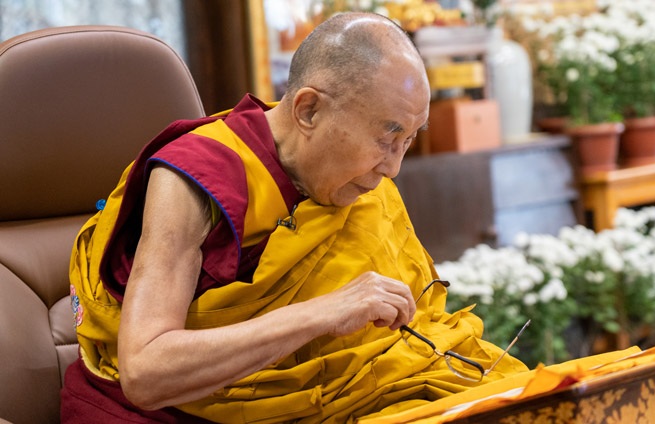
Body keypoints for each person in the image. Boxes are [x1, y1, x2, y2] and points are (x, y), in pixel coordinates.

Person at [61, 12, 528, 423]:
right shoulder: (195, 179)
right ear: (308, 109)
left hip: (335, 399)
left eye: (408, 140)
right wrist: (322, 313)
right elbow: (146, 371)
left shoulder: (356, 186)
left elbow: (411, 332)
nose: (393, 167)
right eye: (387, 137)